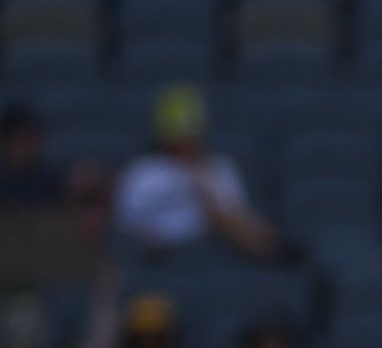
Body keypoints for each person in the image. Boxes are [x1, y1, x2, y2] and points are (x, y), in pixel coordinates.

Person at [114, 84, 278, 261]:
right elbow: (127, 223)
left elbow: (238, 214)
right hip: (161, 257)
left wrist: (203, 186)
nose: (188, 142)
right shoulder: (144, 172)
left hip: (215, 253)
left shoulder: (220, 166)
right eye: (180, 135)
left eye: (192, 133)